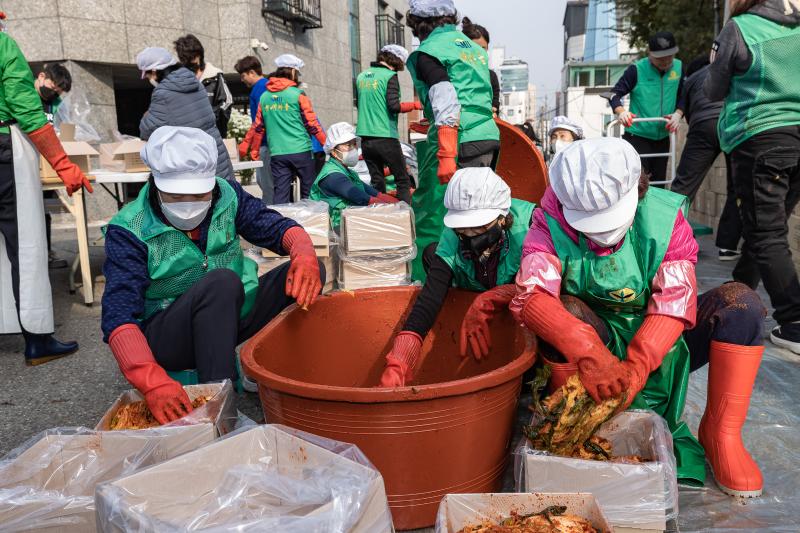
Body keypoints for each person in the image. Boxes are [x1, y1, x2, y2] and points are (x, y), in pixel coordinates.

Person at [511, 138, 766, 497]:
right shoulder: (548, 218)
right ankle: (578, 428)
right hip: (598, 336)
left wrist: (636, 366)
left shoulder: (664, 216)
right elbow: (533, 295)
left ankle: (721, 433)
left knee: (742, 304)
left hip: (664, 341)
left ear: (638, 191)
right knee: (561, 312)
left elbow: (674, 300)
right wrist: (588, 352)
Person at [101, 126, 323, 424]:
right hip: (170, 334)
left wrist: (303, 250)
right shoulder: (130, 228)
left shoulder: (226, 194)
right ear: (155, 183)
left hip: (227, 315)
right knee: (221, 282)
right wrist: (152, 382)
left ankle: (274, 371)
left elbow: (270, 225)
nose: (189, 202)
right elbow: (119, 315)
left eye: (199, 192)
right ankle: (222, 409)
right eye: (176, 195)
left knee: (307, 273)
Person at [378, 168, 535, 386]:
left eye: (478, 228)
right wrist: (402, 356)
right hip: (474, 288)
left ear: (501, 217)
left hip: (518, 304)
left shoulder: (529, 227)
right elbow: (429, 298)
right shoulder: (453, 235)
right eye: (463, 230)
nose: (470, 236)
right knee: (432, 254)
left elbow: (545, 288)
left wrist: (498, 295)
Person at [706, 0, 800, 353]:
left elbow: (713, 89)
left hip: (760, 137)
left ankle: (793, 322)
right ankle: (738, 291)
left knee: (765, 231)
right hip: (797, 136)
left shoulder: (741, 28)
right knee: (764, 228)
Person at [0, 28, 92, 365]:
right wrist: (63, 164)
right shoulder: (3, 44)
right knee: (23, 246)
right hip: (3, 151)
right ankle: (36, 339)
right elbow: (25, 109)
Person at [405, 0, 500, 279]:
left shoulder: (429, 51)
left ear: (419, 25)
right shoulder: (472, 48)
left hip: (457, 139)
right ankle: (475, 278)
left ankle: (426, 283)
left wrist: (446, 155)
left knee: (434, 214)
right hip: (487, 136)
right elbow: (472, 95)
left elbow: (446, 97)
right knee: (479, 214)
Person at [669, 55, 742, 261]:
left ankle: (667, 239)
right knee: (737, 187)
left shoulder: (691, 80)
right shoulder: (729, 69)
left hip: (702, 126)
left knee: (683, 186)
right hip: (731, 124)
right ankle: (728, 247)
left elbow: (689, 115)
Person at [137, 47, 234, 183]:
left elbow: (147, 130)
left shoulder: (163, 93)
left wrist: (146, 115)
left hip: (198, 165)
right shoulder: (195, 83)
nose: (148, 79)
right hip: (217, 156)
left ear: (154, 71)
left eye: (147, 75)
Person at [248, 54, 326, 204]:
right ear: (292, 71)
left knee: (281, 194)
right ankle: (311, 224)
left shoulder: (264, 97)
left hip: (277, 153)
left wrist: (254, 150)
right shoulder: (297, 94)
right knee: (308, 193)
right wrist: (327, 144)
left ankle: (282, 225)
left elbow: (258, 127)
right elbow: (312, 124)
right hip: (301, 151)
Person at [610, 31, 683, 183]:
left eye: (669, 56)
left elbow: (685, 95)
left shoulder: (679, 67)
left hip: (663, 136)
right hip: (638, 136)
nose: (666, 61)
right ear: (650, 54)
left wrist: (678, 113)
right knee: (639, 183)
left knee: (659, 184)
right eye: (660, 58)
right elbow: (614, 95)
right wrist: (622, 112)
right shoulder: (636, 70)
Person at [356, 44, 420, 204]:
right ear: (396, 59)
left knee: (377, 181)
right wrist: (415, 105)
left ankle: (380, 218)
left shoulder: (362, 76)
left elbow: (359, 103)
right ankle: (406, 218)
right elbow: (394, 106)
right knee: (402, 180)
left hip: (366, 138)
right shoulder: (389, 76)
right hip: (386, 136)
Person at [310, 122, 398, 228]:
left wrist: (401, 207)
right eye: (348, 145)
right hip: (335, 231)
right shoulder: (333, 176)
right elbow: (368, 200)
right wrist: (395, 212)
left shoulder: (348, 173)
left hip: (348, 225)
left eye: (354, 144)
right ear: (333, 151)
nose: (353, 149)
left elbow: (378, 195)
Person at [34, 63, 73, 269]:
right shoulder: (27, 97)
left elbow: (63, 128)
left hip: (46, 166)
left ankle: (46, 252)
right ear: (41, 76)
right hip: (25, 162)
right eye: (53, 87)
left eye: (58, 92)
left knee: (44, 210)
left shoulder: (54, 104)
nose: (53, 93)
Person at [174, 34, 233, 139]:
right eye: (184, 59)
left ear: (199, 54)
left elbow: (226, 102)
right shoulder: (179, 79)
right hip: (187, 138)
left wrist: (210, 119)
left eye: (191, 57)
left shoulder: (215, 76)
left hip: (213, 136)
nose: (189, 62)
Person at [234, 55, 273, 205]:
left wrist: (251, 145)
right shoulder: (267, 86)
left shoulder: (259, 89)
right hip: (269, 143)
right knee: (265, 182)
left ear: (251, 72)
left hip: (265, 144)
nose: (242, 80)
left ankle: (270, 213)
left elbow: (259, 122)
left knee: (266, 183)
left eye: (243, 76)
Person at [461, 16, 500, 116]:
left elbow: (495, 107)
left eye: (483, 48)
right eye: (475, 48)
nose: (480, 53)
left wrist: (493, 111)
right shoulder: (454, 73)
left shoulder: (491, 77)